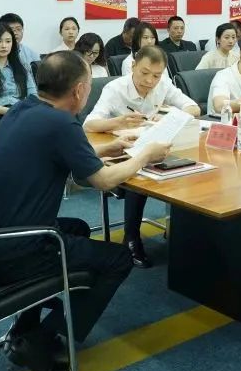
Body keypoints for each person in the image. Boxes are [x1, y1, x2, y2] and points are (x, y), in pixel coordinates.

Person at [0, 51, 170, 371]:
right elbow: (103, 180)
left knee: (77, 227)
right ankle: (41, 338)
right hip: (18, 250)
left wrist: (106, 149)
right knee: (118, 259)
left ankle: (26, 324)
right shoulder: (62, 122)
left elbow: (54, 152)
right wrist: (145, 154)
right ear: (79, 90)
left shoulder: (23, 109)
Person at [83, 46, 200, 267]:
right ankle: (132, 237)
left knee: (191, 165)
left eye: (156, 75)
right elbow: (89, 124)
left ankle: (182, 231)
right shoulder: (115, 88)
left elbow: (193, 108)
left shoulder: (163, 85)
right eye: (144, 73)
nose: (149, 80)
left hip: (155, 148)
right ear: (133, 66)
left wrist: (169, 117)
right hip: (121, 151)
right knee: (140, 173)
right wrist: (118, 121)